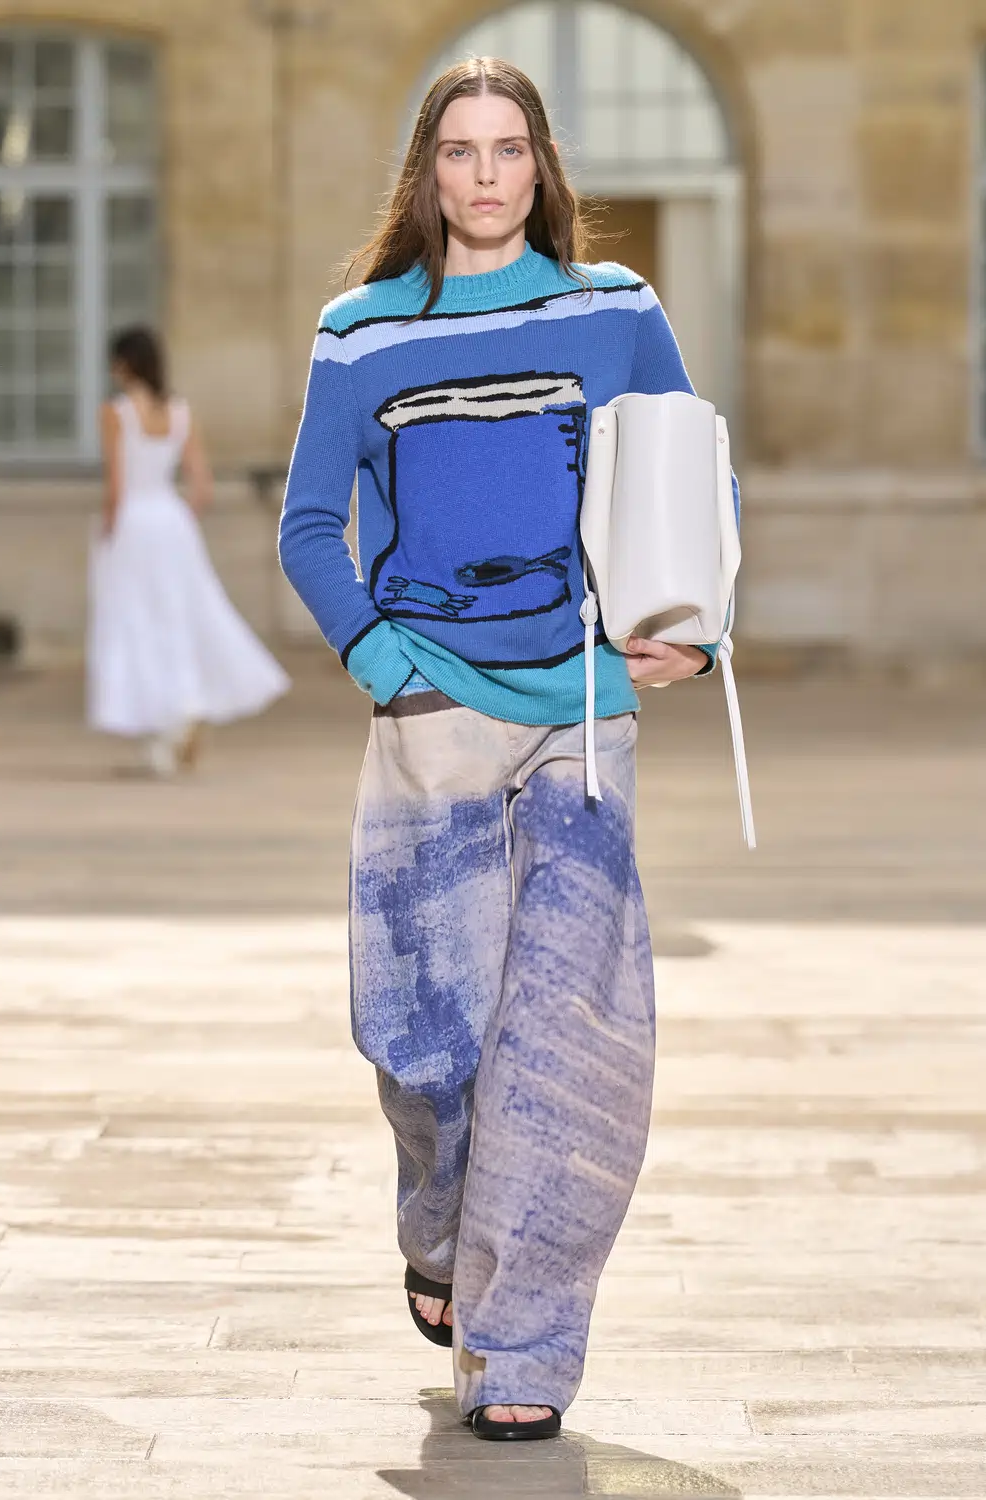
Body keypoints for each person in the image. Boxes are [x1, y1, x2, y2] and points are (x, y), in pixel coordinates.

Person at [279, 59, 738, 1441]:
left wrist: (695, 630)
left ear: (542, 168)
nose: (485, 175)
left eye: (509, 149)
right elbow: (309, 527)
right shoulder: (360, 333)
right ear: (427, 173)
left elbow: (693, 475)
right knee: (432, 1039)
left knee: (564, 1036)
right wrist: (387, 666)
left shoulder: (616, 310)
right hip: (432, 715)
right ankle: (438, 1228)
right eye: (459, 151)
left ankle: (520, 1348)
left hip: (581, 714)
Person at [88, 326, 290, 774]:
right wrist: (179, 522)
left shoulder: (116, 413)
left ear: (124, 363)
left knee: (136, 623)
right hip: (172, 522)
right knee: (178, 620)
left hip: (134, 523)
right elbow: (202, 487)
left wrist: (107, 534)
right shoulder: (180, 412)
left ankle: (160, 731)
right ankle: (180, 714)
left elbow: (116, 488)